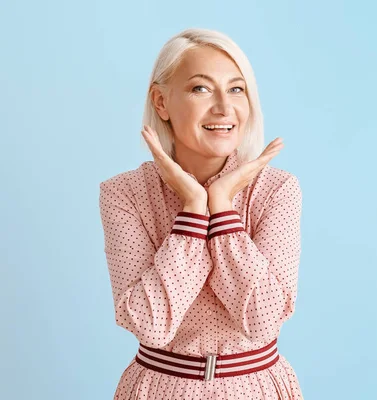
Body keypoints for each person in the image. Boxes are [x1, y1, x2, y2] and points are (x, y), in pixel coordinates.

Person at [98, 28, 304, 399]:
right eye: (201, 89)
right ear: (161, 103)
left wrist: (221, 205)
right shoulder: (123, 194)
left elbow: (264, 320)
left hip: (256, 388)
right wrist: (194, 211)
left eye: (237, 89)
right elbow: (150, 324)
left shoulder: (277, 190)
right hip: (159, 389)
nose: (225, 108)